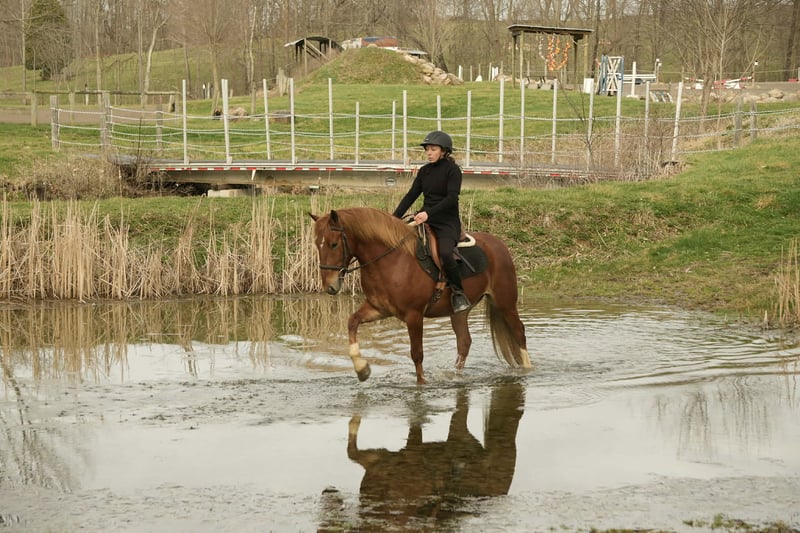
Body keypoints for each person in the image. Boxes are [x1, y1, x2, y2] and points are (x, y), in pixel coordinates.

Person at [393, 130, 470, 313]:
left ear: (444, 151)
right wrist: (393, 219)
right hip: (424, 218)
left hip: (446, 221)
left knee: (445, 253)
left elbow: (451, 198)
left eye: (433, 149)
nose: (428, 153)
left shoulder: (453, 171)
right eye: (427, 149)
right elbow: (411, 196)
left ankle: (458, 292)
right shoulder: (424, 171)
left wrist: (429, 213)